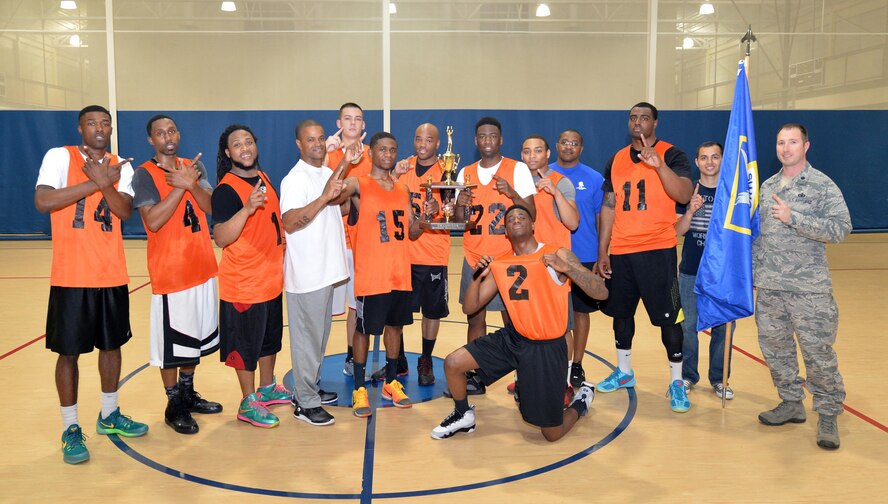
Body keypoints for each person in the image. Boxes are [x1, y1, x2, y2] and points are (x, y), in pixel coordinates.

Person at [431, 205, 607, 441]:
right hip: (514, 338)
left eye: (521, 216)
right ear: (505, 230)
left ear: (533, 224)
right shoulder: (501, 264)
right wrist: (478, 276)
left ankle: (582, 401)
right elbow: (470, 308)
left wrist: (569, 270)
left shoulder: (558, 254)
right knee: (453, 363)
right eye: (510, 218)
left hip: (547, 347)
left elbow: (601, 292)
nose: (515, 219)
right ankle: (464, 415)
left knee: (551, 433)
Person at [35, 105, 148, 464]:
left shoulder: (122, 165)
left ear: (111, 129)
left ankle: (109, 414)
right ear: (80, 128)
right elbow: (44, 201)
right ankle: (70, 426)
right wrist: (95, 181)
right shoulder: (59, 156)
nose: (99, 128)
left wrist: (106, 181)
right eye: (92, 123)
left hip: (112, 273)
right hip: (70, 274)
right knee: (68, 353)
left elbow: (124, 211)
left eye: (105, 123)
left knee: (111, 347)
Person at [754, 123, 851, 450]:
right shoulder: (766, 187)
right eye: (781, 142)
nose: (785, 148)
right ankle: (791, 402)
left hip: (809, 290)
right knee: (775, 349)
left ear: (805, 146)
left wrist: (794, 217)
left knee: (817, 354)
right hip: (770, 289)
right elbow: (759, 237)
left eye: (792, 142)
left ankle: (827, 412)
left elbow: (840, 229)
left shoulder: (822, 185)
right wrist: (753, 276)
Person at [594, 102, 694, 413]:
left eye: (644, 118)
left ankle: (677, 381)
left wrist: (658, 165)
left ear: (655, 123)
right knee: (621, 315)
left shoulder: (672, 154)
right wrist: (603, 251)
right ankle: (624, 372)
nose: (638, 122)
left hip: (658, 250)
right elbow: (609, 206)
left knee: (669, 320)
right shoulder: (616, 159)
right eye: (633, 117)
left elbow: (684, 194)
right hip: (622, 252)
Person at [133, 115, 223, 435]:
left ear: (178, 134)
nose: (167, 136)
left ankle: (187, 393)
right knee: (173, 348)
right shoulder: (143, 174)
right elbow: (153, 221)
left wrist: (192, 183)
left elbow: (212, 207)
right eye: (159, 133)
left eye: (171, 130)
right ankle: (174, 404)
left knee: (194, 341)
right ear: (151, 140)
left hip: (202, 266)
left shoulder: (194, 166)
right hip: (171, 273)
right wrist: (179, 188)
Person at [335, 132, 434, 418]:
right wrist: (344, 162)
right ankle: (358, 387)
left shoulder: (402, 189)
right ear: (372, 153)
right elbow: (334, 192)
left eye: (392, 149)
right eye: (382, 149)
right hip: (372, 273)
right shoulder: (359, 184)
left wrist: (424, 221)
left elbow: (411, 231)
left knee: (395, 328)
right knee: (364, 330)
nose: (388, 154)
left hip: (399, 271)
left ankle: (391, 382)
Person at [452, 117, 537, 395]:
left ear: (500, 140)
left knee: (513, 321)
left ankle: (525, 376)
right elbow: (459, 221)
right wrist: (460, 207)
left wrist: (511, 193)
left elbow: (532, 214)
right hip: (474, 256)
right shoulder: (464, 172)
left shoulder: (518, 169)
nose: (487, 141)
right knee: (474, 318)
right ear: (476, 142)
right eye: (482, 137)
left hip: (509, 258)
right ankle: (476, 376)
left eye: (493, 136)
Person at [212, 124, 288, 428]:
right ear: (229, 153)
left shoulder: (263, 177)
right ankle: (248, 402)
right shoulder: (226, 190)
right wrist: (245, 210)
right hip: (244, 284)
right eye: (237, 145)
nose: (245, 148)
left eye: (248, 142)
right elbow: (221, 236)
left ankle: (267, 388)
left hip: (270, 279)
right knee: (244, 349)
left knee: (269, 341)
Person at [280, 120, 350, 426]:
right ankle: (304, 402)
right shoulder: (294, 179)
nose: (318, 144)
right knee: (307, 339)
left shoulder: (323, 172)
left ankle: (309, 388)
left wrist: (347, 163)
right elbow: (290, 222)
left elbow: (336, 207)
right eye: (311, 140)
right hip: (307, 273)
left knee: (318, 337)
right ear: (299, 144)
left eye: (321, 138)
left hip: (326, 270)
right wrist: (324, 198)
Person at [324, 103, 386, 379]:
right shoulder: (327, 154)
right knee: (325, 306)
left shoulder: (374, 156)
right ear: (339, 122)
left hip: (365, 243)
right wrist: (328, 156)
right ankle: (315, 362)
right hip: (335, 242)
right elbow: (321, 199)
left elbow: (382, 193)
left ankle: (351, 356)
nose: (352, 123)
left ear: (363, 125)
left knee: (355, 305)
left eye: (357, 119)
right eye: (347, 118)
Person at [390, 123, 451, 385]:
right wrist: (394, 172)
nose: (422, 144)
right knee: (397, 312)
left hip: (433, 253)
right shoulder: (403, 168)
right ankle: (399, 359)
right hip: (403, 253)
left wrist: (440, 207)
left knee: (432, 312)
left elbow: (455, 212)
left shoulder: (447, 172)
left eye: (428, 140)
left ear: (438, 144)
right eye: (418, 139)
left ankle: (425, 360)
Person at [519, 134, 578, 402]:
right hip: (526, 266)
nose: (532, 156)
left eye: (538, 151)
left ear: (546, 155)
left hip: (554, 266)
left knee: (561, 328)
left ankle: (565, 380)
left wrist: (554, 192)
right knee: (527, 325)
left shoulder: (560, 182)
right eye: (527, 151)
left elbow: (573, 222)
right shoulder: (517, 182)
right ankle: (527, 377)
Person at [674, 142, 736, 400]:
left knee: (723, 327)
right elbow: (678, 231)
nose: (710, 162)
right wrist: (690, 211)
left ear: (722, 160)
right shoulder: (688, 191)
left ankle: (719, 379)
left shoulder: (733, 194)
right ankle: (688, 376)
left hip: (723, 275)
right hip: (690, 271)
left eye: (715, 157)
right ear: (697, 162)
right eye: (704, 158)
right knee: (688, 326)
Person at [549, 129, 605, 389]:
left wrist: (602, 253)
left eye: (575, 143)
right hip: (551, 255)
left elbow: (599, 219)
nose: (569, 147)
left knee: (580, 313)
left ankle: (577, 365)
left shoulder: (594, 178)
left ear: (581, 148)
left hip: (584, 255)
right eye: (564, 142)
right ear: (556, 145)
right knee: (554, 316)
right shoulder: (542, 173)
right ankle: (553, 365)